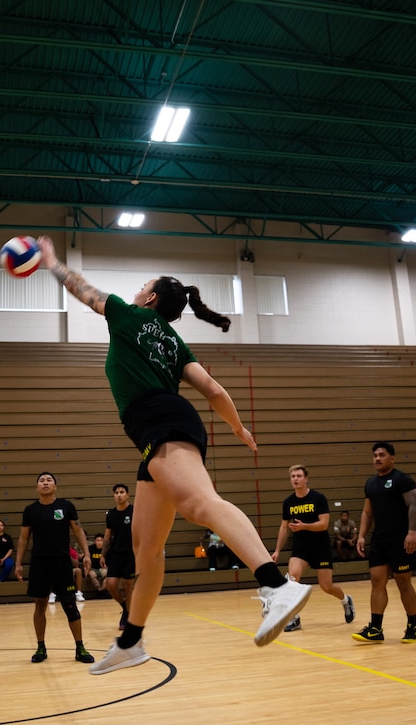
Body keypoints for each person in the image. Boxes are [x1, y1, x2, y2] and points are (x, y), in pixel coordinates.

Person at [37, 237, 311, 675]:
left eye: (142, 284)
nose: (136, 290)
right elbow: (214, 390)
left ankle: (277, 587)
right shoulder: (174, 341)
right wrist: (238, 427)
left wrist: (51, 262)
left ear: (149, 298)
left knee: (200, 505)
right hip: (157, 434)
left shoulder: (129, 315)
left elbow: (81, 289)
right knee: (147, 550)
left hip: (161, 423)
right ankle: (131, 641)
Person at [14, 472, 96, 665]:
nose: (45, 483)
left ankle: (80, 648)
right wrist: (18, 563)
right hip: (39, 564)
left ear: (55, 486)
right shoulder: (30, 510)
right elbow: (23, 538)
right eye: (41, 481)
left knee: (70, 605)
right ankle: (41, 646)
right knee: (40, 605)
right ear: (37, 487)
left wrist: (87, 554)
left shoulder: (66, 507)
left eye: (49, 480)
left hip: (62, 564)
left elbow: (78, 530)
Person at [353, 442, 416, 644]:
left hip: (401, 539)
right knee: (376, 580)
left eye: (382, 455)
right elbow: (367, 511)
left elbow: (415, 506)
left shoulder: (403, 480)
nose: (377, 458)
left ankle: (413, 627)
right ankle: (375, 628)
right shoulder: (371, 483)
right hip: (380, 539)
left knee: (403, 581)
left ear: (392, 458)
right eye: (375, 455)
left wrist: (412, 532)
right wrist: (362, 535)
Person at [271, 465, 354, 632]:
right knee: (292, 580)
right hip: (301, 548)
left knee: (326, 586)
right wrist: (277, 550)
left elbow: (323, 525)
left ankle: (346, 600)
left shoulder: (318, 498)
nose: (295, 479)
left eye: (299, 476)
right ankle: (294, 618)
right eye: (293, 476)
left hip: (320, 547)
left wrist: (304, 526)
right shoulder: (288, 502)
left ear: (306, 478)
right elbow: (283, 527)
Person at [103, 484, 136, 630]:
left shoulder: (134, 510)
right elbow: (107, 536)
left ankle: (127, 615)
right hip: (116, 554)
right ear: (113, 496)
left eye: (122, 492)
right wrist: (103, 555)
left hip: (131, 554)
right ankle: (124, 606)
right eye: (116, 492)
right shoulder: (111, 514)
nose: (119, 495)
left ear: (127, 495)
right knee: (110, 584)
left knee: (128, 586)